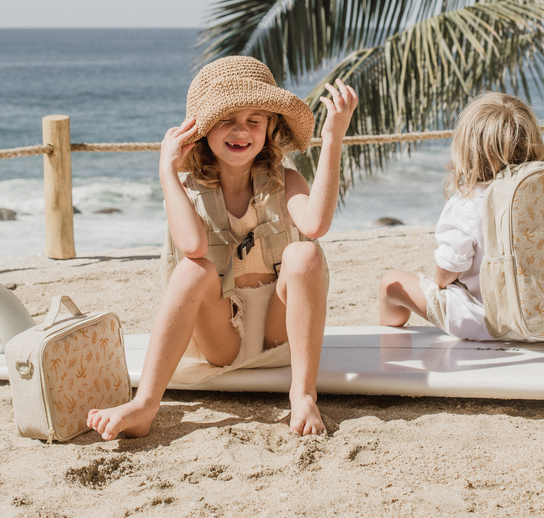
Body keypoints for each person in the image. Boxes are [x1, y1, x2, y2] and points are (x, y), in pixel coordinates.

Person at [88, 56, 357, 440]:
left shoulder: (285, 180)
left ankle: (302, 395)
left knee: (306, 252)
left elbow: (316, 225)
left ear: (269, 127)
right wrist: (167, 169)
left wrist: (333, 138)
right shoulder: (187, 191)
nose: (240, 130)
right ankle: (145, 405)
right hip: (221, 343)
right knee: (194, 268)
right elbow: (194, 246)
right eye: (227, 119)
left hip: (280, 337)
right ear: (203, 129)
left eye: (254, 120)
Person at [379, 92, 544, 341]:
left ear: (467, 148)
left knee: (390, 284)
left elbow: (446, 273)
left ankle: (388, 350)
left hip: (493, 323)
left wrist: (443, 280)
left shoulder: (469, 203)